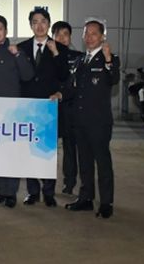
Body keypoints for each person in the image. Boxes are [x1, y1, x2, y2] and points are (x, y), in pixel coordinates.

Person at [65, 19, 120, 219]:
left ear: (102, 36)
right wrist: (59, 94)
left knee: (102, 162)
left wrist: (108, 59)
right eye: (86, 34)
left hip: (99, 122)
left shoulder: (110, 59)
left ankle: (106, 203)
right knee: (85, 161)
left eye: (94, 34)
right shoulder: (80, 61)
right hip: (80, 121)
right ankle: (86, 198)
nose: (89, 37)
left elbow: (114, 78)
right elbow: (72, 88)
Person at [0, 15, 34, 209]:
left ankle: (11, 193)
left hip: (12, 111)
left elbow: (28, 75)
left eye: (0, 29)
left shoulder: (15, 51)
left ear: (6, 31)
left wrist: (18, 55)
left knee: (11, 153)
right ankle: (2, 191)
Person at [18, 8, 69, 207]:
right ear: (30, 25)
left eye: (43, 21)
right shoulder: (21, 48)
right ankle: (32, 191)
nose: (39, 26)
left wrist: (55, 53)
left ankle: (49, 192)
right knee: (29, 150)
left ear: (48, 24)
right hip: (28, 106)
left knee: (48, 152)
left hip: (49, 107)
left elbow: (64, 75)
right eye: (35, 22)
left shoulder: (60, 48)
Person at [51, 21, 83, 195]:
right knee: (47, 147)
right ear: (53, 37)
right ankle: (46, 183)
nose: (62, 38)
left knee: (70, 147)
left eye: (65, 34)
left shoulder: (79, 57)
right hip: (50, 108)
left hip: (70, 108)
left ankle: (69, 182)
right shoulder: (46, 56)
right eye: (58, 34)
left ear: (70, 37)